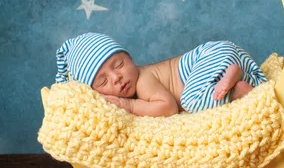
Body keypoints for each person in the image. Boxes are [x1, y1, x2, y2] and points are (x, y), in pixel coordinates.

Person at [55, 32, 267, 117]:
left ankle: (234, 87)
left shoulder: (143, 80)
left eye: (118, 64)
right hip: (219, 55)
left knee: (191, 101)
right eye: (103, 81)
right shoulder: (138, 79)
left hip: (209, 57)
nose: (116, 77)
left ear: (130, 58)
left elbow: (168, 107)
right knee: (253, 87)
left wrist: (129, 106)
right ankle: (234, 78)